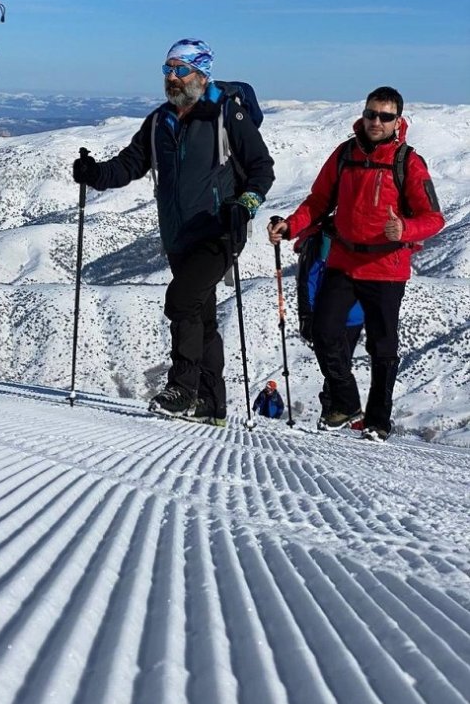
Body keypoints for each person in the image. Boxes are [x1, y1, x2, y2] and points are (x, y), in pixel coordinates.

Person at [73, 39, 275, 425]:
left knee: (181, 301)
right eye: (167, 69)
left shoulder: (226, 116)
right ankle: (212, 404)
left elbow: (261, 168)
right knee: (201, 315)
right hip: (177, 235)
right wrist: (95, 173)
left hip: (220, 230)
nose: (172, 77)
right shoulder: (159, 121)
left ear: (202, 73)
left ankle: (182, 389)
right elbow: (130, 165)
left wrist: (245, 205)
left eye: (180, 69)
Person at [268, 87, 444, 442]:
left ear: (398, 121)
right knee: (323, 331)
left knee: (382, 347)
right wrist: (290, 226)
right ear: (363, 115)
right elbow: (318, 201)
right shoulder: (345, 154)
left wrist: (405, 228)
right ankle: (346, 403)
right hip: (344, 259)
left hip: (386, 266)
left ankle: (378, 421)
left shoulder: (408, 161)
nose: (375, 121)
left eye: (384, 116)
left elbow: (434, 218)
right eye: (371, 114)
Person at [295, 225, 364, 419]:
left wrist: (307, 314)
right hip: (348, 314)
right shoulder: (323, 242)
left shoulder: (321, 241)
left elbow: (308, 280)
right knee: (335, 363)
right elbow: (309, 279)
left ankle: (336, 409)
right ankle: (335, 409)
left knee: (336, 364)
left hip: (347, 315)